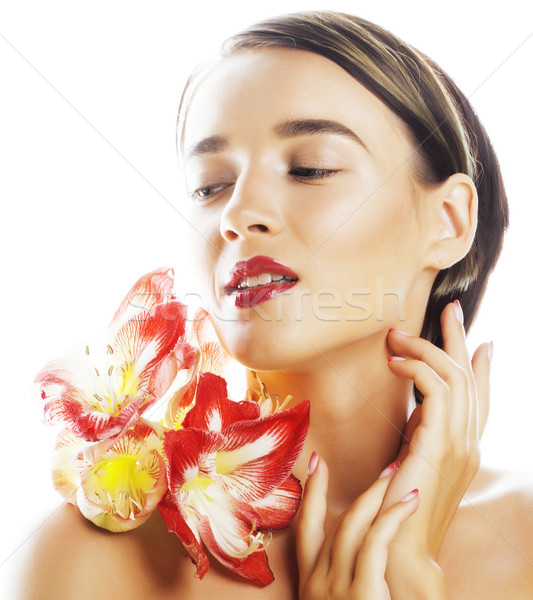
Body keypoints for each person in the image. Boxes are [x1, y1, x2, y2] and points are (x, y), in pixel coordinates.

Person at [14, 10, 533, 599]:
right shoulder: (93, 562)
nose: (236, 216)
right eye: (210, 185)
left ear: (448, 220)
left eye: (310, 169)